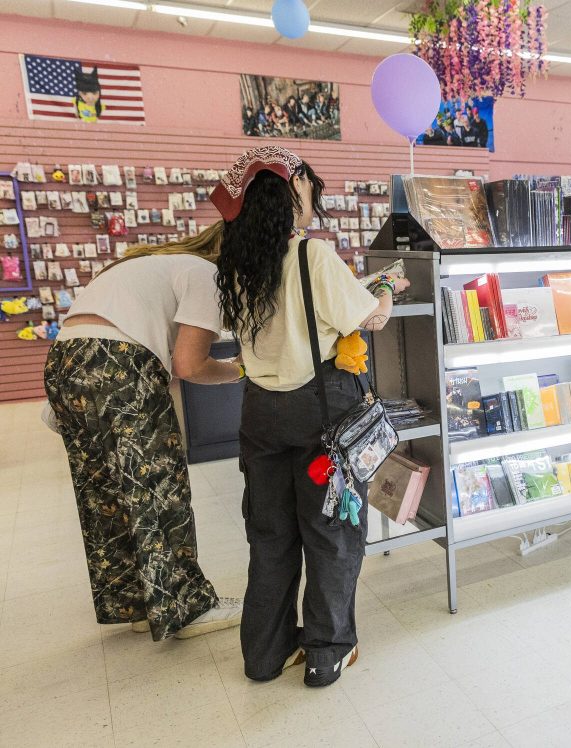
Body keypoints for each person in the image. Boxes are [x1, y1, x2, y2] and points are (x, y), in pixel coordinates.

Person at [211, 146, 410, 687]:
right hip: (320, 414)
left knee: (270, 536)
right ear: (294, 186)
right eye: (307, 186)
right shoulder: (313, 255)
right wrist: (385, 289)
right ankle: (326, 652)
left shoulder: (238, 264)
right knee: (330, 533)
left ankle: (264, 655)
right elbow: (371, 319)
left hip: (259, 412)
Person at [43, 225, 246, 642]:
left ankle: (136, 603)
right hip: (118, 365)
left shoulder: (148, 264)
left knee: (103, 492)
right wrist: (240, 371)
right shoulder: (205, 274)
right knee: (158, 487)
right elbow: (190, 365)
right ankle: (188, 608)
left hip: (64, 361)